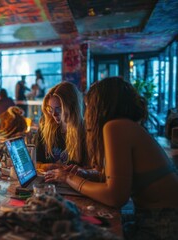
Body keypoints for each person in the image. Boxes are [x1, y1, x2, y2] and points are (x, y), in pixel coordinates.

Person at [45, 77, 178, 239]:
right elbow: (117, 178)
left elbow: (115, 196)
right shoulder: (126, 125)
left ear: (100, 105)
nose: (87, 110)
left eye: (89, 104)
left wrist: (68, 177)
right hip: (154, 218)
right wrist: (86, 174)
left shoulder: (115, 127)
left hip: (163, 223)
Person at [35, 81, 88, 171]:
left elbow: (91, 170)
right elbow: (35, 162)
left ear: (72, 107)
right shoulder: (45, 127)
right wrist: (46, 167)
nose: (54, 114)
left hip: (73, 184)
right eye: (50, 109)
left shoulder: (85, 131)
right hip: (47, 183)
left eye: (59, 109)